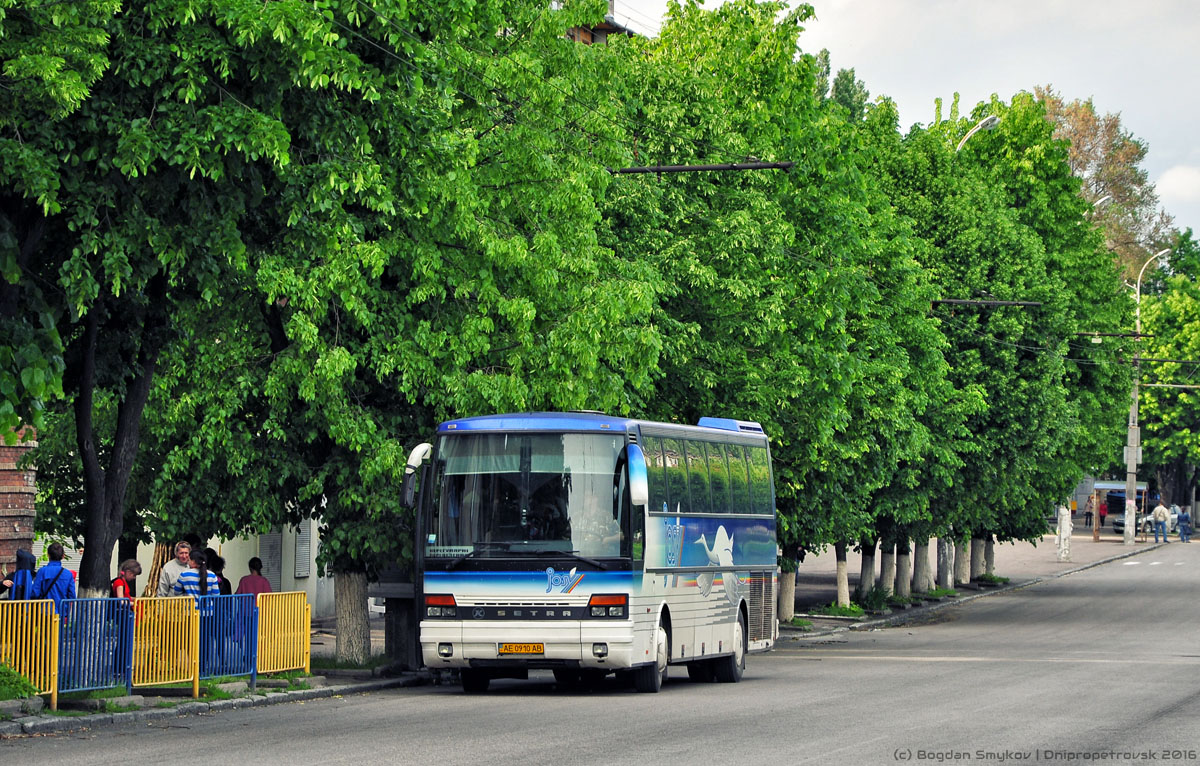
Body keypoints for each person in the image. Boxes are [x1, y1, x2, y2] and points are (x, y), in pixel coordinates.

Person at [30, 542, 77, 611]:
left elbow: (35, 593)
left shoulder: (42, 571)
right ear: (63, 556)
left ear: (48, 555)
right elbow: (72, 596)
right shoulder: (68, 574)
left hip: (44, 611)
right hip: (62, 611)